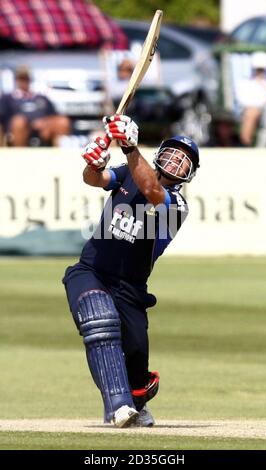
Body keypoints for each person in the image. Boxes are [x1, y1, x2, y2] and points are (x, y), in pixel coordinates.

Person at [62, 114, 200, 428]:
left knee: (136, 356)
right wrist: (94, 163)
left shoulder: (176, 204)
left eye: (185, 160)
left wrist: (129, 147)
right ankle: (118, 406)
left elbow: (151, 190)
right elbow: (94, 180)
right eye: (173, 153)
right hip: (92, 270)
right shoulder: (129, 171)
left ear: (189, 174)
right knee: (99, 320)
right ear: (159, 153)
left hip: (130, 288)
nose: (177, 161)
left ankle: (136, 400)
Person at [0, 66, 71, 146]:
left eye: (26, 79)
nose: (24, 82)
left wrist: (45, 122)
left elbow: (54, 114)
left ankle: (59, 153)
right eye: (21, 79)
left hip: (41, 127)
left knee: (62, 121)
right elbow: (3, 119)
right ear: (16, 80)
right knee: (19, 122)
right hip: (20, 128)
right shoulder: (8, 98)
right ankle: (19, 155)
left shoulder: (41, 98)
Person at [237, 51, 266, 146]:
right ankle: (246, 144)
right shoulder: (246, 83)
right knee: (251, 114)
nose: (260, 72)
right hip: (254, 109)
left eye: (262, 70)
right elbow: (244, 101)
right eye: (258, 69)